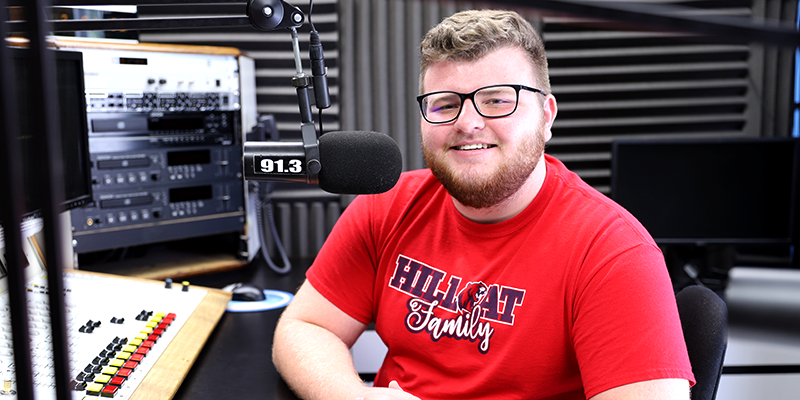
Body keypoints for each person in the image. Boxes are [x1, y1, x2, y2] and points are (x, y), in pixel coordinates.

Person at [272, 9, 694, 400]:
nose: (467, 122)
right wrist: (355, 397)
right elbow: (305, 327)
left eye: (497, 99)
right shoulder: (387, 206)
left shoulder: (613, 254)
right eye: (445, 104)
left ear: (546, 115)